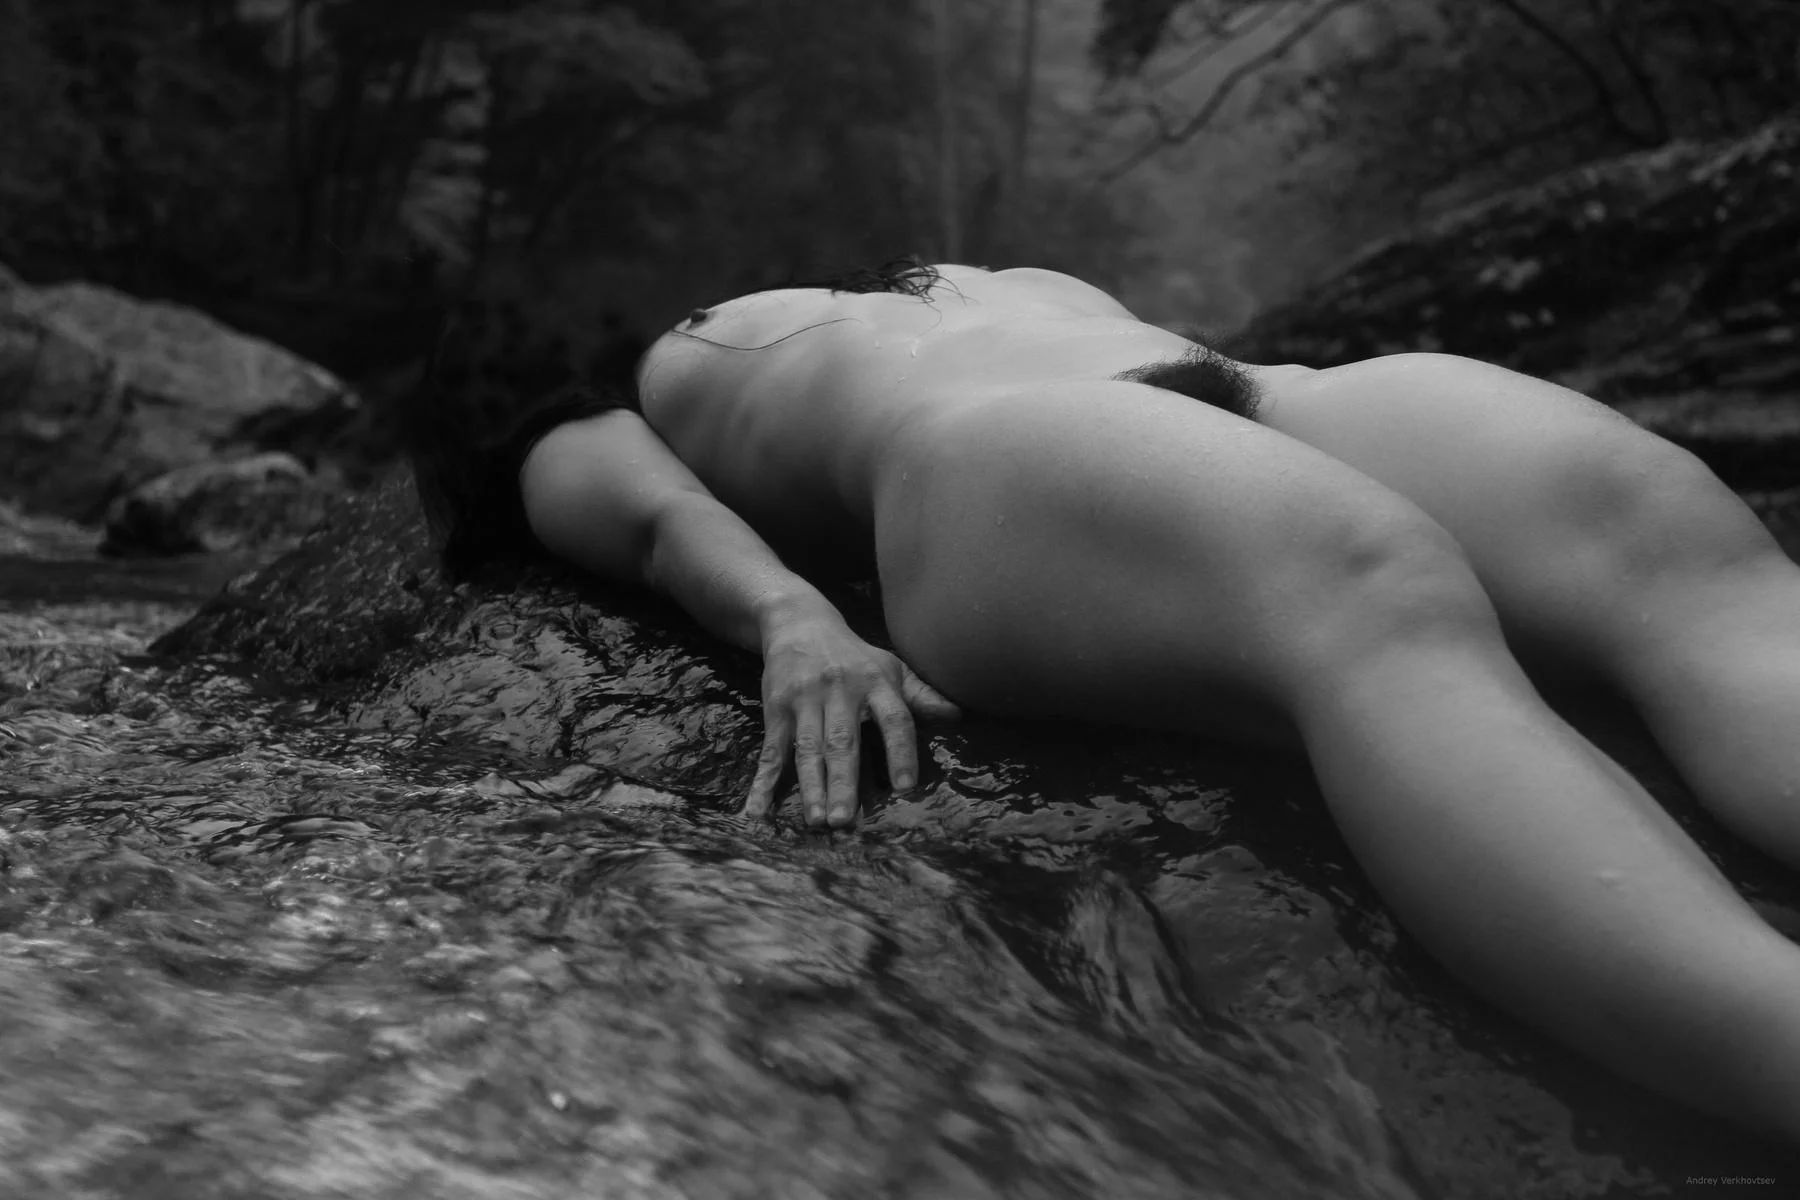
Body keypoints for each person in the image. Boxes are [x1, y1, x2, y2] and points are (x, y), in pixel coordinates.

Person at [409, 259, 1800, 1141]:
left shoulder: (876, 293)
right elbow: (642, 516)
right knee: (1366, 588)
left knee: (1661, 530)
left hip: (1265, 396)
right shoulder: (587, 396)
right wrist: (794, 618)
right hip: (992, 461)